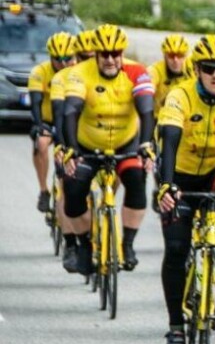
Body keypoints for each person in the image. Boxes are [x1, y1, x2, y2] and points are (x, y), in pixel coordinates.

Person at [156, 35, 215, 344]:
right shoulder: (180, 95)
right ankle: (176, 326)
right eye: (209, 69)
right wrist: (166, 185)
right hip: (180, 176)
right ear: (197, 69)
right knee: (176, 248)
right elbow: (169, 142)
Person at [61, 24, 155, 276]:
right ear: (97, 54)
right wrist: (71, 148)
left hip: (126, 142)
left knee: (137, 180)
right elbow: (71, 110)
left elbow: (147, 110)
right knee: (73, 189)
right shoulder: (80, 73)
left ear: (122, 53)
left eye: (116, 53)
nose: (111, 59)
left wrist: (146, 144)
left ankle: (127, 244)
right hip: (88, 144)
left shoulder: (136, 71)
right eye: (105, 54)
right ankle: (83, 244)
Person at [50, 32, 95, 273]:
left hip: (97, 141)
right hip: (71, 140)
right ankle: (70, 243)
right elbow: (60, 114)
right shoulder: (65, 78)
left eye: (91, 56)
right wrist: (63, 147)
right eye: (83, 56)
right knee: (66, 187)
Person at [28, 32, 77, 214]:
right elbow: (35, 103)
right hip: (48, 120)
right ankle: (43, 191)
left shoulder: (79, 72)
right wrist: (39, 125)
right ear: (50, 57)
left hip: (70, 120)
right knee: (40, 142)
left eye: (68, 58)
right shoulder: (39, 72)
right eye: (58, 59)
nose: (63, 63)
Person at [148, 34, 193, 116]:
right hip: (161, 118)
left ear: (185, 56)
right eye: (171, 56)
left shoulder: (192, 67)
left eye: (180, 55)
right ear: (164, 56)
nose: (175, 60)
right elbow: (148, 86)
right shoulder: (156, 70)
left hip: (186, 118)